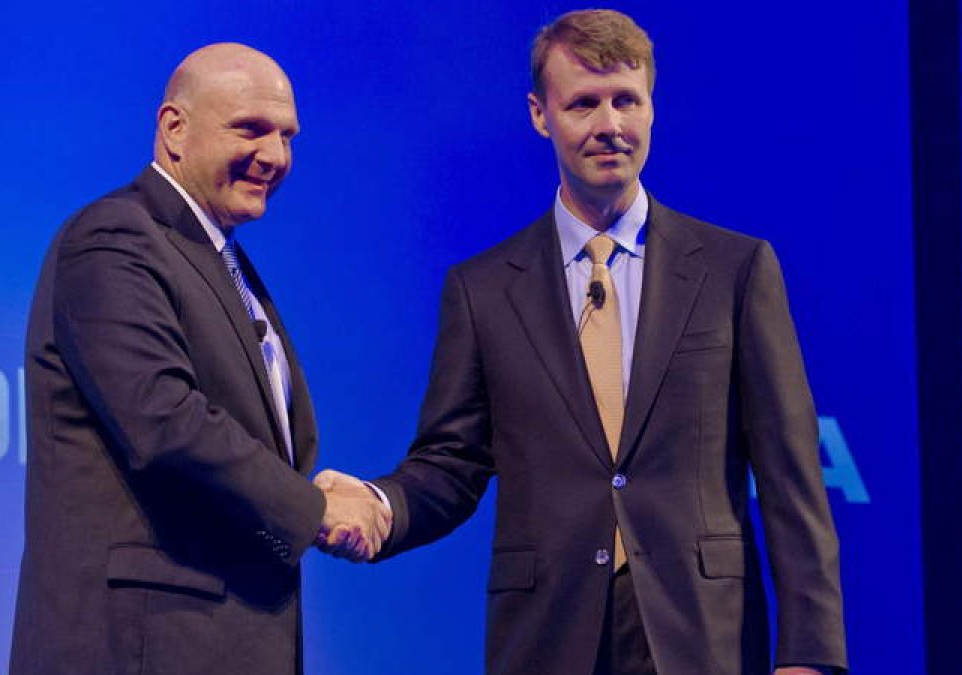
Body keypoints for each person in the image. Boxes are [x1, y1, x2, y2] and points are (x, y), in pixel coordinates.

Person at [316, 10, 847, 675]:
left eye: (628, 100)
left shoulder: (736, 270)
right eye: (584, 104)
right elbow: (451, 464)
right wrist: (381, 507)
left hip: (703, 635)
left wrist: (811, 655)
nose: (611, 125)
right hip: (548, 637)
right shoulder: (483, 290)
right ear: (541, 115)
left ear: (653, 108)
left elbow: (792, 478)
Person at [9, 43, 388, 675]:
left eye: (287, 136)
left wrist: (307, 488)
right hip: (141, 647)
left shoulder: (221, 259)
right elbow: (163, 420)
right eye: (250, 129)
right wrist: (313, 510)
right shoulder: (115, 239)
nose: (275, 156)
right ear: (174, 130)